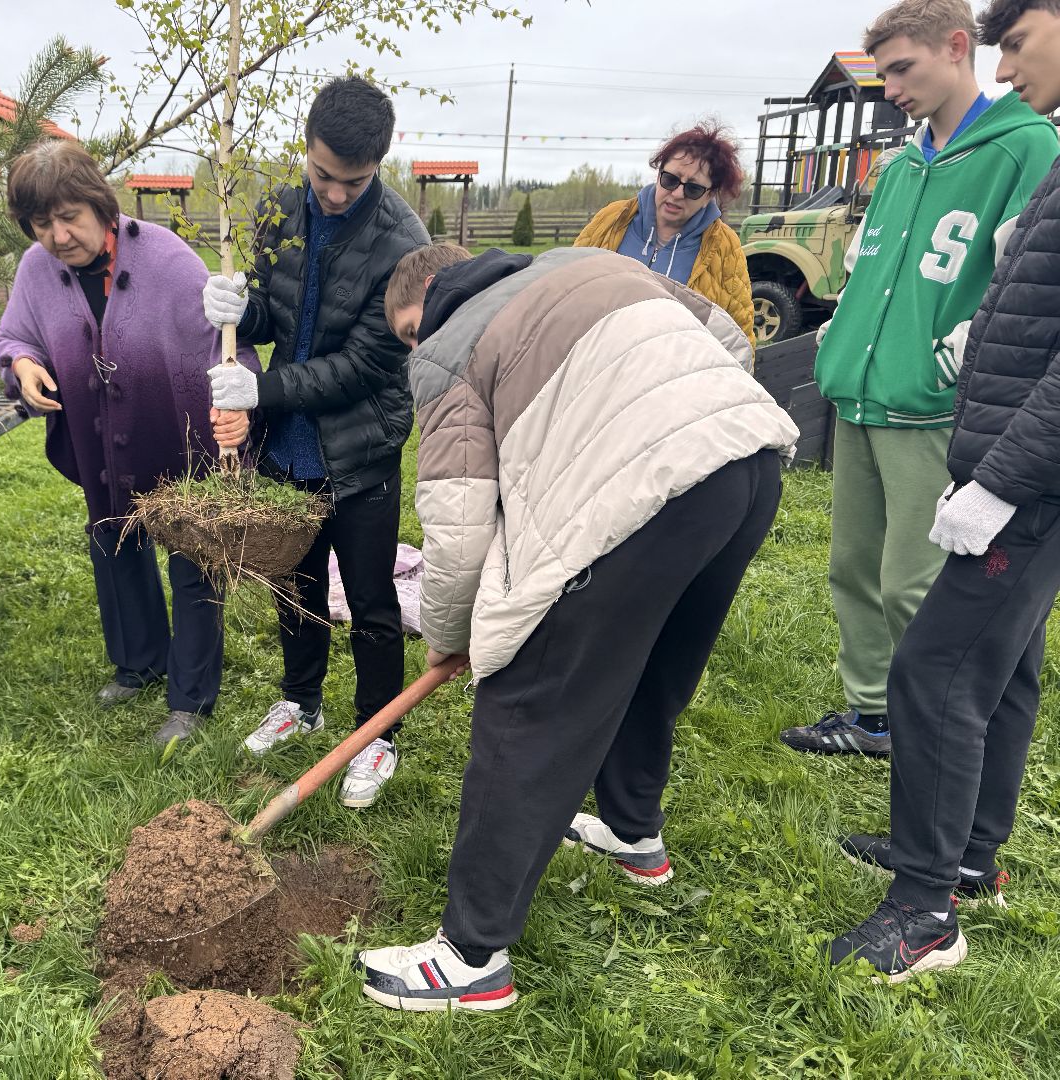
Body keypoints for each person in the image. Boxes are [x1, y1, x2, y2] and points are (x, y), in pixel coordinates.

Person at [356, 242, 798, 1011]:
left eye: (407, 332)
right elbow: (726, 337)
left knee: (529, 697)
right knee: (652, 661)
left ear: (430, 297)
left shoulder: (449, 345)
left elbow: (457, 532)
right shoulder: (583, 261)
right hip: (747, 461)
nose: (413, 350)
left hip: (648, 493)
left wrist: (450, 636)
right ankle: (632, 831)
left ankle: (469, 959)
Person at [827, 0, 1060, 983]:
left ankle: (925, 911)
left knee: (936, 673)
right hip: (1002, 447)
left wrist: (1000, 480)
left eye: (1019, 41)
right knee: (1002, 671)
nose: (1010, 67)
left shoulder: (1027, 149)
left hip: (1024, 468)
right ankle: (968, 854)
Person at [778, 0, 1057, 758]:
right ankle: (873, 715)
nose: (891, 87)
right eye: (883, 72)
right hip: (862, 395)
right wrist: (843, 340)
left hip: (935, 407)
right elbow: (870, 270)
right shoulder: (899, 164)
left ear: (957, 47)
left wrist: (956, 355)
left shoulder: (1025, 146)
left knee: (914, 582)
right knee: (852, 570)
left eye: (903, 67)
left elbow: (1027, 279)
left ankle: (933, 728)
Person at [202, 76, 429, 809]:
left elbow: (367, 363)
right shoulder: (279, 204)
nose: (333, 193)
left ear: (379, 166)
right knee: (294, 585)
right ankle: (302, 701)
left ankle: (376, 733)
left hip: (359, 447)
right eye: (323, 174)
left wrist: (259, 391)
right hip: (289, 445)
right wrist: (241, 307)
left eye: (352, 181)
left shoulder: (401, 242)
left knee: (369, 599)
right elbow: (272, 312)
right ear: (307, 149)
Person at [0, 140, 258, 745]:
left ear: (100, 207)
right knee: (114, 542)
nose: (58, 236)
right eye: (41, 223)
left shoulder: (167, 260)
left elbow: (228, 343)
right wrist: (23, 364)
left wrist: (237, 407)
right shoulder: (36, 271)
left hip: (176, 436)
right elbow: (14, 336)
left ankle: (189, 700)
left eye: (69, 218)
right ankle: (139, 660)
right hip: (100, 444)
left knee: (193, 560)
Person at [574, 120, 755, 352]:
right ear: (658, 173)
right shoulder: (612, 218)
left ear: (710, 195)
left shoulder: (724, 246)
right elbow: (569, 284)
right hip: (596, 360)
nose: (677, 194)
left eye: (693, 188)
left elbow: (738, 335)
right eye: (670, 179)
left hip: (670, 378)